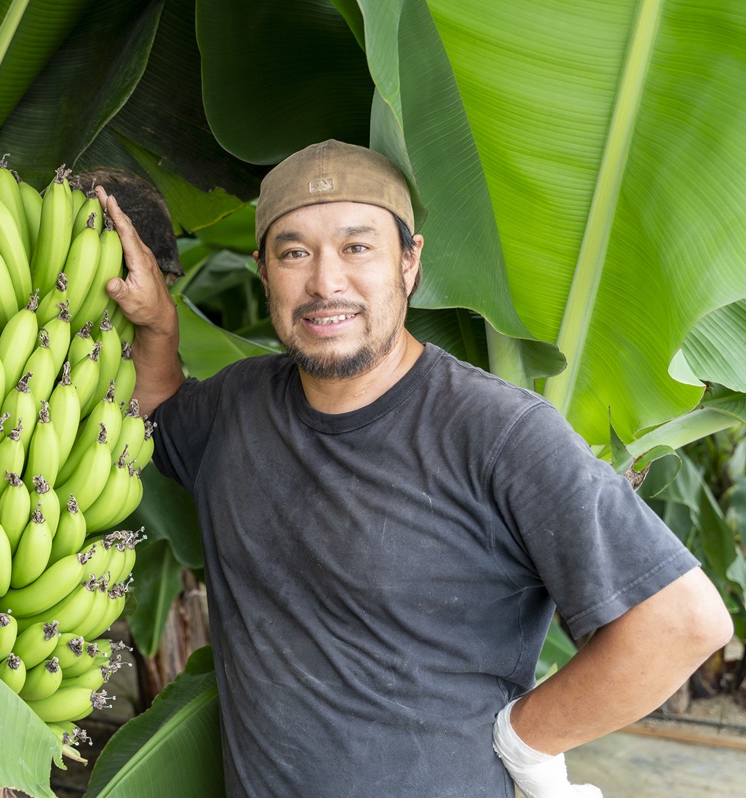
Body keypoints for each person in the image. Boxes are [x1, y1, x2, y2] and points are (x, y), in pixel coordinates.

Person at [93, 140, 733, 797]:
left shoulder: (497, 433)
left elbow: (682, 622)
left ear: (409, 262)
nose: (325, 282)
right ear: (263, 271)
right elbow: (160, 413)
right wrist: (158, 325)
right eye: (294, 252)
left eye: (357, 247)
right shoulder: (238, 407)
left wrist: (528, 738)